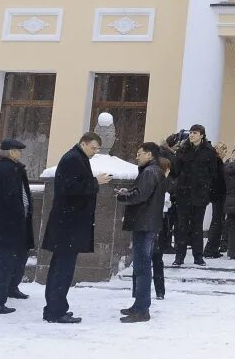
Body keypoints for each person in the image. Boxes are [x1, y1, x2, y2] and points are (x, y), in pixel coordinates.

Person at [42, 133, 111, 324]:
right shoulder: (73, 159)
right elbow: (71, 188)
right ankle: (56, 311)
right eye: (93, 148)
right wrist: (95, 182)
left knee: (60, 267)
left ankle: (55, 308)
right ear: (83, 144)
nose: (95, 152)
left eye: (97, 149)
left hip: (67, 225)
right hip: (68, 225)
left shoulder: (75, 157)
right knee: (62, 269)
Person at [0, 138, 34, 315]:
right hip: (6, 228)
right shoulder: (9, 170)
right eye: (18, 151)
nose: (20, 154)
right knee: (2, 267)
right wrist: (19, 216)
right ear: (11, 152)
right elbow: (11, 199)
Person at [115, 142, 167, 323]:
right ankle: (139, 305)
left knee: (142, 267)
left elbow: (141, 195)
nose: (137, 156)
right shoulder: (153, 172)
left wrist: (123, 196)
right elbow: (143, 193)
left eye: (140, 153)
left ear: (150, 155)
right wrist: (129, 192)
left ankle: (142, 308)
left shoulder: (150, 172)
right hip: (146, 223)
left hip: (145, 224)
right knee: (141, 266)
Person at [170, 124, 222, 267]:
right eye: (191, 132)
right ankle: (179, 256)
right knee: (181, 226)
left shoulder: (209, 151)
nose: (192, 135)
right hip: (183, 193)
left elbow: (213, 173)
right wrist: (178, 155)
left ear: (202, 135)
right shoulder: (183, 149)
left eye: (195, 133)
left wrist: (208, 191)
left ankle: (198, 256)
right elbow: (175, 170)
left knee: (197, 226)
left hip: (200, 194)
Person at [202, 142, 228, 258]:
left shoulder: (215, 162)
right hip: (219, 195)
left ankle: (212, 248)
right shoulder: (217, 163)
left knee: (217, 221)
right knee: (217, 221)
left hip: (217, 195)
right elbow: (218, 180)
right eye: (224, 150)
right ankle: (210, 248)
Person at [153, 155, 171, 299]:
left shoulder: (154, 180)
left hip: (153, 221)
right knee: (157, 258)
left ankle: (138, 289)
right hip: (159, 221)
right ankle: (160, 290)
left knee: (151, 258)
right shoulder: (164, 183)